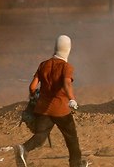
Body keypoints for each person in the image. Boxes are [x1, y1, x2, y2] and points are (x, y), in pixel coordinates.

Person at [14, 35, 87, 167]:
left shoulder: (43, 64)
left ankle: (23, 148)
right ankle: (76, 164)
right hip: (60, 109)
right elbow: (66, 84)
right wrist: (72, 99)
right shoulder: (66, 67)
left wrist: (33, 96)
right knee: (71, 137)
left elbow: (32, 86)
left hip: (43, 108)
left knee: (41, 135)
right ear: (68, 49)